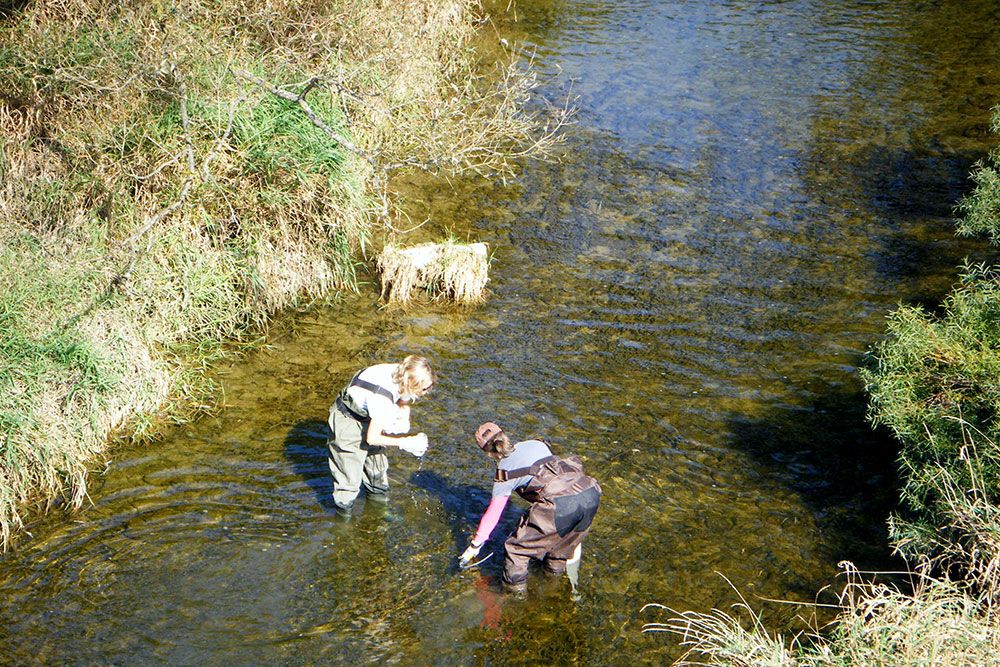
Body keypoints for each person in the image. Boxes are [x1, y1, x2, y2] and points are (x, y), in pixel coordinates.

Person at [460, 422, 601, 594]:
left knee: (516, 550)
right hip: (590, 492)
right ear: (505, 435)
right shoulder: (536, 443)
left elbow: (494, 513)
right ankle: (555, 590)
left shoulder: (504, 473)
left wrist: (475, 545)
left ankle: (516, 598)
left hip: (560, 504)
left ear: (488, 453)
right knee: (559, 549)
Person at [327, 355, 435, 516]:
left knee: (377, 471)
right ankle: (343, 521)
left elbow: (404, 401)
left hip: (370, 415)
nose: (426, 392)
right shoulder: (381, 398)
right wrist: (405, 442)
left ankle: (380, 511)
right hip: (348, 421)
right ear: (410, 382)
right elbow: (372, 438)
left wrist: (404, 418)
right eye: (424, 389)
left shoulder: (404, 371)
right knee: (349, 479)